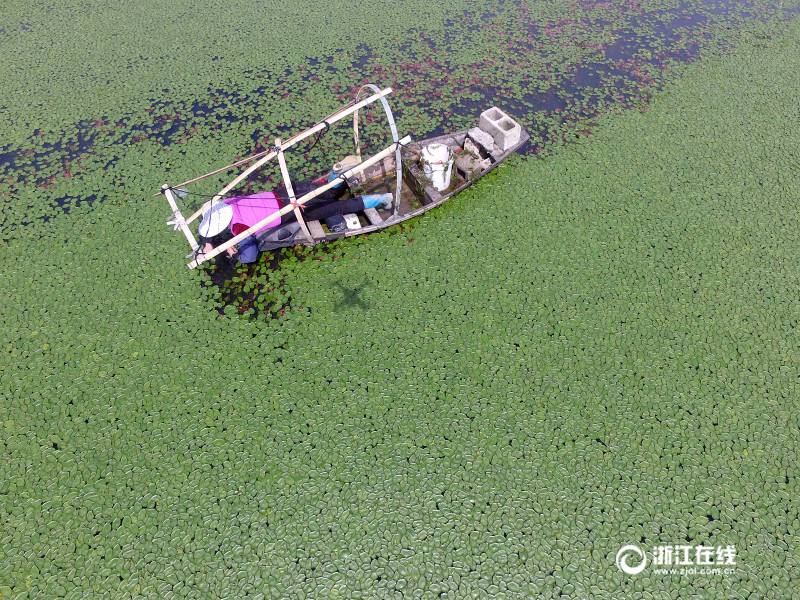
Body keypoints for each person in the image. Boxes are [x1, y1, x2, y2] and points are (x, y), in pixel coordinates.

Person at [197, 172, 392, 263]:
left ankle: (382, 199)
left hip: (295, 208)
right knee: (325, 192)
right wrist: (208, 243)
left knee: (335, 207)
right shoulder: (231, 201)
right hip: (285, 192)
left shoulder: (239, 228)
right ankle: (335, 177)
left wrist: (233, 253)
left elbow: (250, 256)